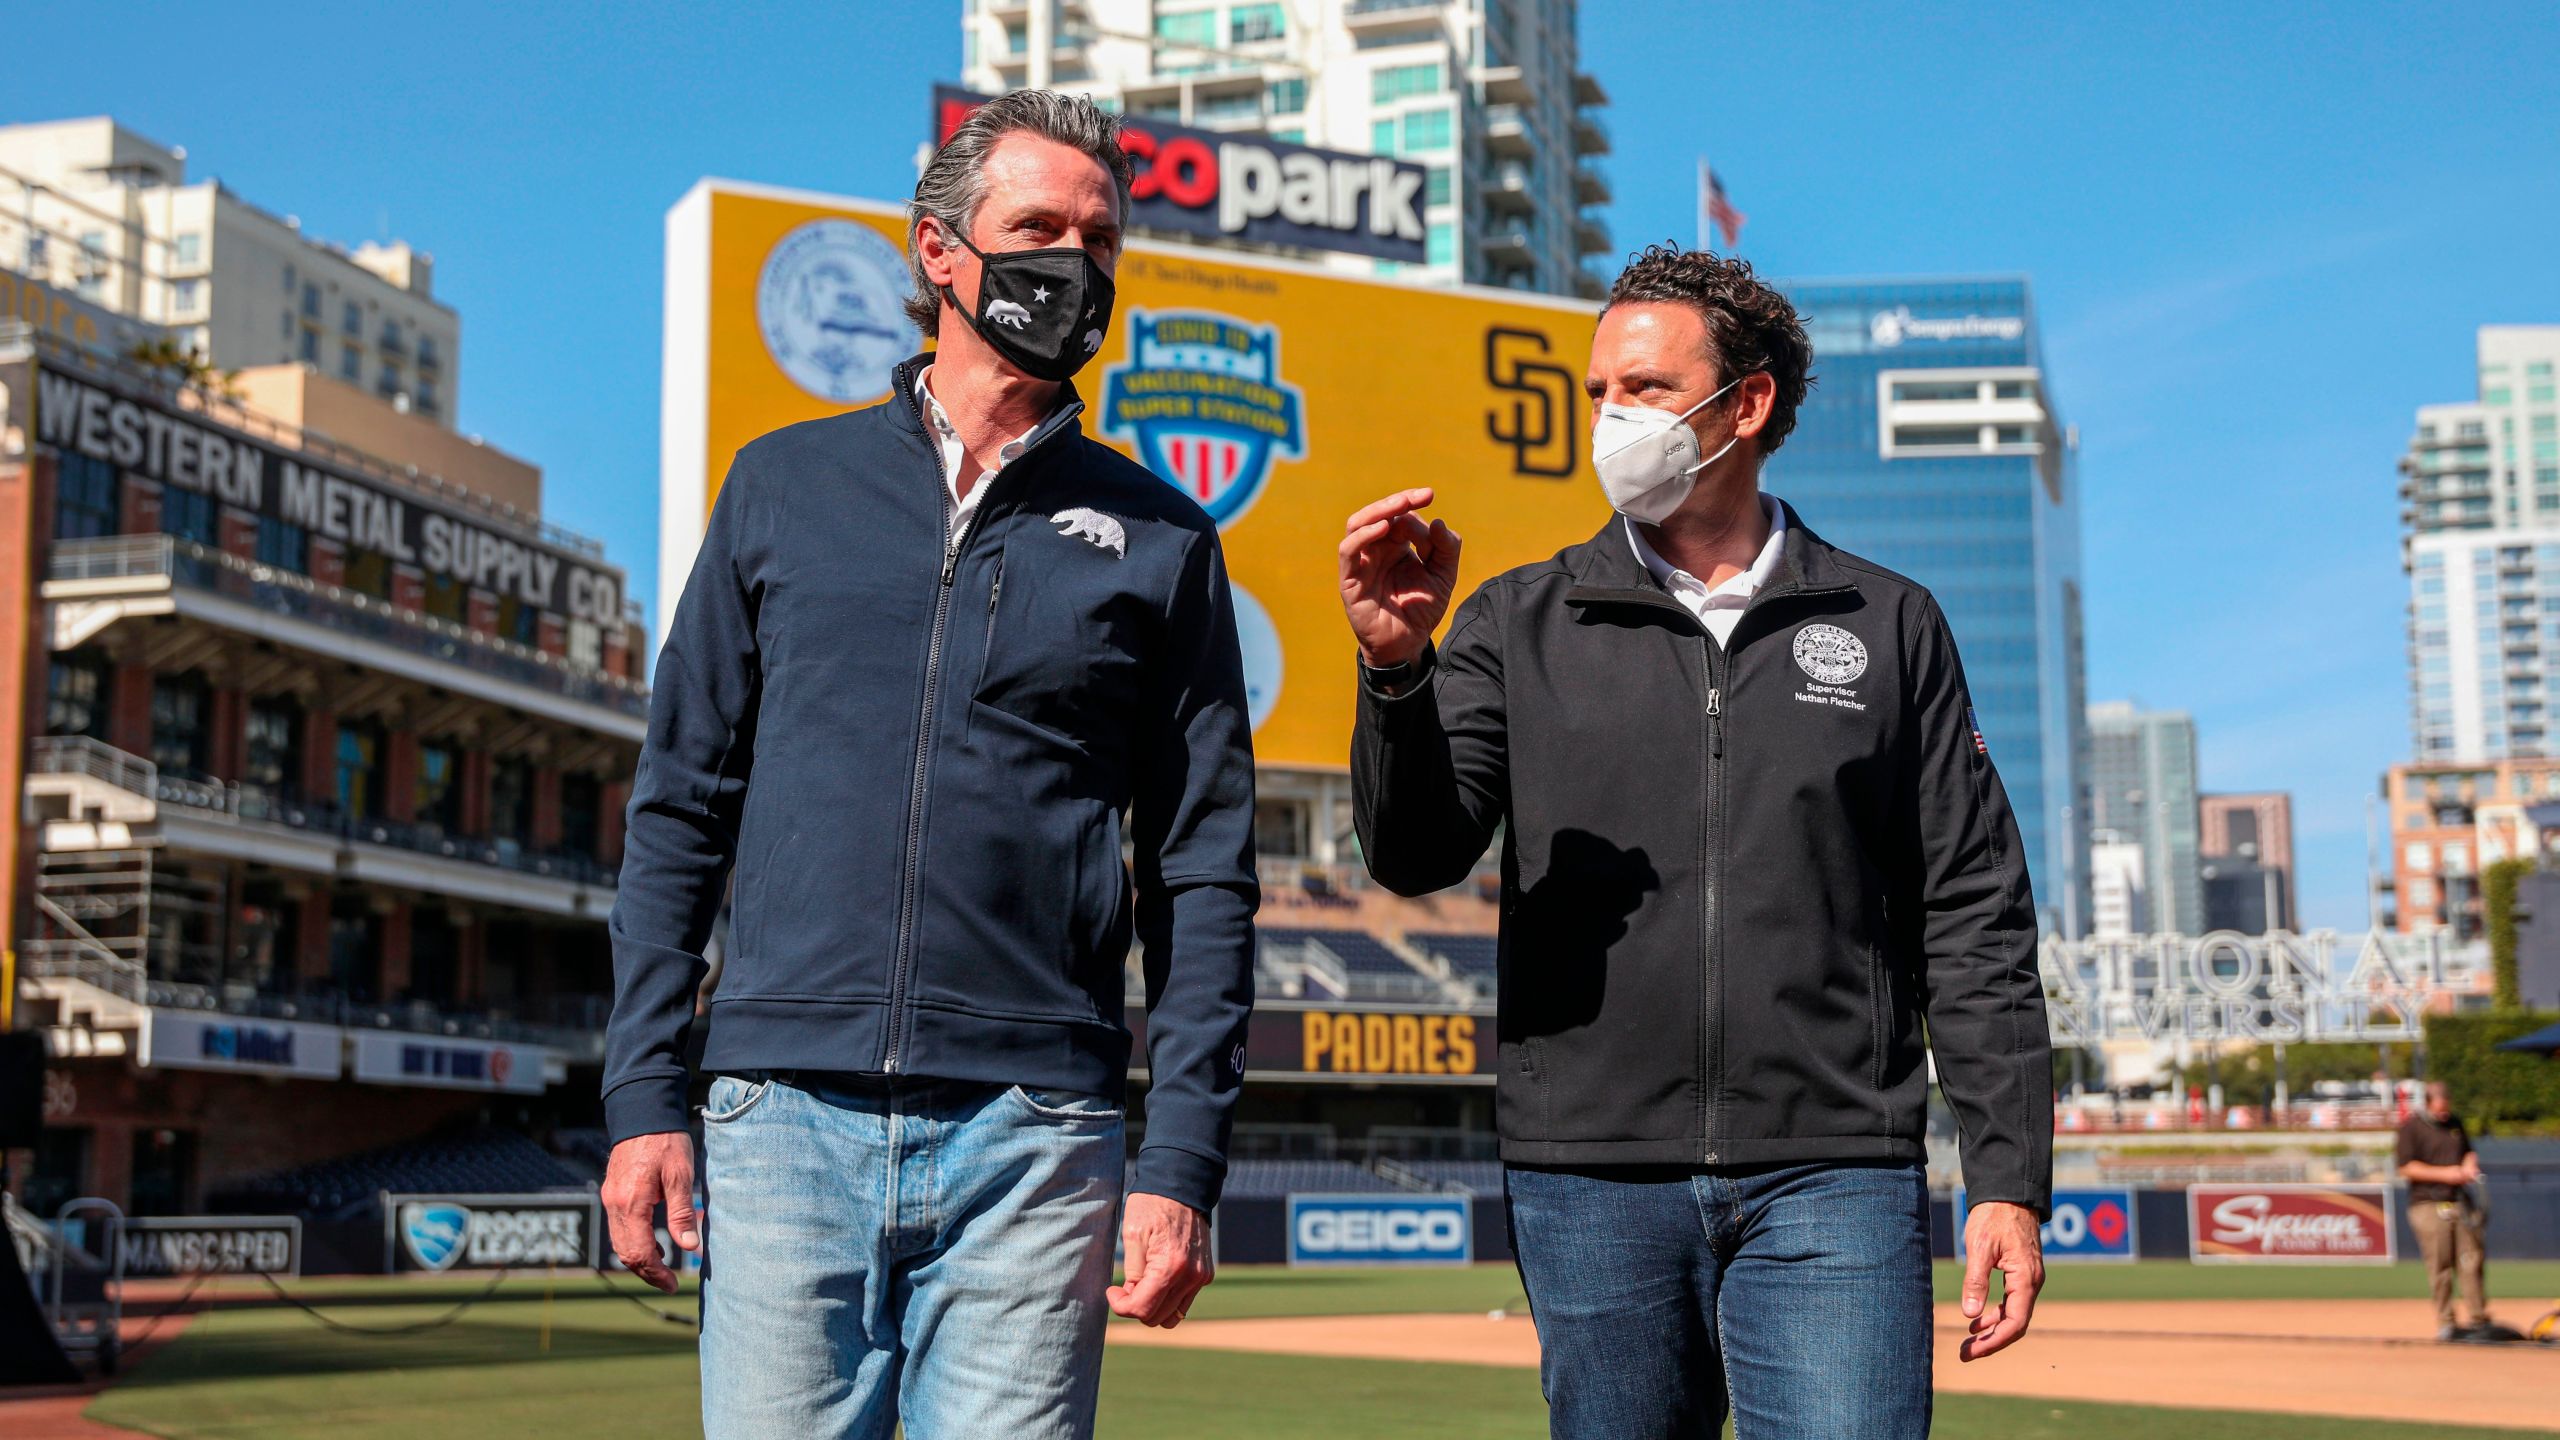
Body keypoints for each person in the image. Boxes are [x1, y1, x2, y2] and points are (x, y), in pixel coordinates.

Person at [599, 90, 1260, 1439]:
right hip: (778, 1121)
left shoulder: (1167, 539)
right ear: (938, 252)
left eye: (1099, 237)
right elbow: (679, 810)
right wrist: (641, 1099)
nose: (1072, 264)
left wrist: (1181, 1156)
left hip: (1039, 1137)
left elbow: (1203, 873)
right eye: (1036, 227)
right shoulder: (778, 487)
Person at [1339, 244, 2052, 1439]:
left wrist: (2007, 1178)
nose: (1612, 419)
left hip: (1835, 1167)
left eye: (1647, 390)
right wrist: (1396, 672)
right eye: (1597, 394)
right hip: (1588, 1173)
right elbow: (1415, 854)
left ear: (1748, 403)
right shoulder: (1515, 619)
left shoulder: (1887, 622)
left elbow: (1973, 912)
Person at [2397, 1080, 2490, 1339]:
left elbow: (2468, 1152)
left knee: (2472, 1259)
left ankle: (2478, 1318)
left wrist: (2469, 1165)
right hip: (2427, 1202)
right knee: (2440, 1264)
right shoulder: (2411, 1128)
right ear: (2427, 1104)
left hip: (2459, 1201)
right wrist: (2446, 1174)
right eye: (2439, 1109)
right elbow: (2405, 1167)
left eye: (2446, 1109)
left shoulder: (2454, 1124)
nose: (2444, 1114)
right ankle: (2446, 1321)